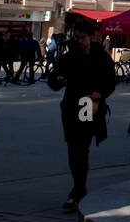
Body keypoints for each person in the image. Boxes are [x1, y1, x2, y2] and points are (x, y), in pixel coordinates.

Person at [47, 18, 116, 211]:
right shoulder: (69, 57)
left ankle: (78, 191)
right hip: (71, 105)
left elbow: (111, 80)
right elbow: (52, 81)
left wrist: (100, 92)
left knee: (80, 147)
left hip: (88, 105)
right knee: (73, 148)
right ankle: (78, 188)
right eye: (76, 37)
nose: (79, 41)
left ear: (90, 37)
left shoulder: (100, 57)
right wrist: (58, 79)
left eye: (82, 37)